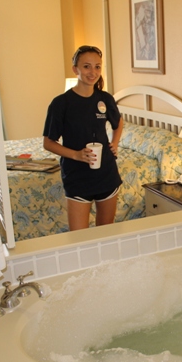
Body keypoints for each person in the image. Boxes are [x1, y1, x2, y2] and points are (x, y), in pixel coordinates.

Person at [43, 45, 123, 231]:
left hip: (106, 174)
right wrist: (76, 155)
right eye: (86, 66)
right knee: (79, 238)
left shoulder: (105, 99)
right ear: (75, 69)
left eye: (97, 67)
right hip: (77, 175)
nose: (93, 72)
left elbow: (118, 122)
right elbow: (48, 143)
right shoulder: (61, 103)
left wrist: (115, 143)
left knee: (106, 234)